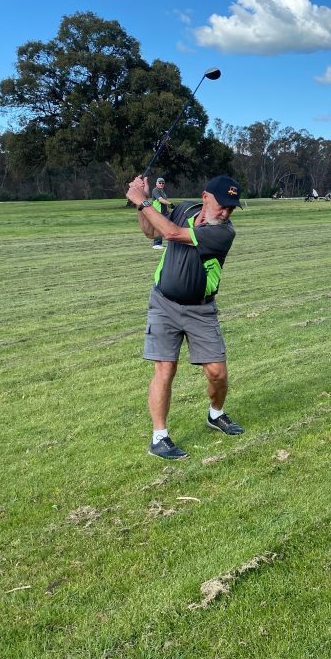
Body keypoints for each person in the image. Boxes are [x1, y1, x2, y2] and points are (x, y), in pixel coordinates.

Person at [126, 173, 245, 460]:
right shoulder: (184, 209)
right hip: (163, 303)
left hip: (201, 309)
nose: (226, 212)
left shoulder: (223, 233)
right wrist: (143, 201)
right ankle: (159, 438)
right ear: (205, 197)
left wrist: (142, 201)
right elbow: (152, 231)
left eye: (231, 208)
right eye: (222, 205)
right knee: (165, 369)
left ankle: (215, 414)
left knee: (217, 373)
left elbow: (171, 233)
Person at [150, 177, 171, 249]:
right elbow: (160, 200)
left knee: (170, 225)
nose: (161, 184)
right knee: (158, 228)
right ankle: (156, 244)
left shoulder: (162, 192)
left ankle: (173, 242)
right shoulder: (155, 190)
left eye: (163, 183)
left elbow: (164, 202)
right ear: (156, 183)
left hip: (165, 213)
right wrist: (170, 203)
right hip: (158, 213)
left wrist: (168, 209)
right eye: (160, 183)